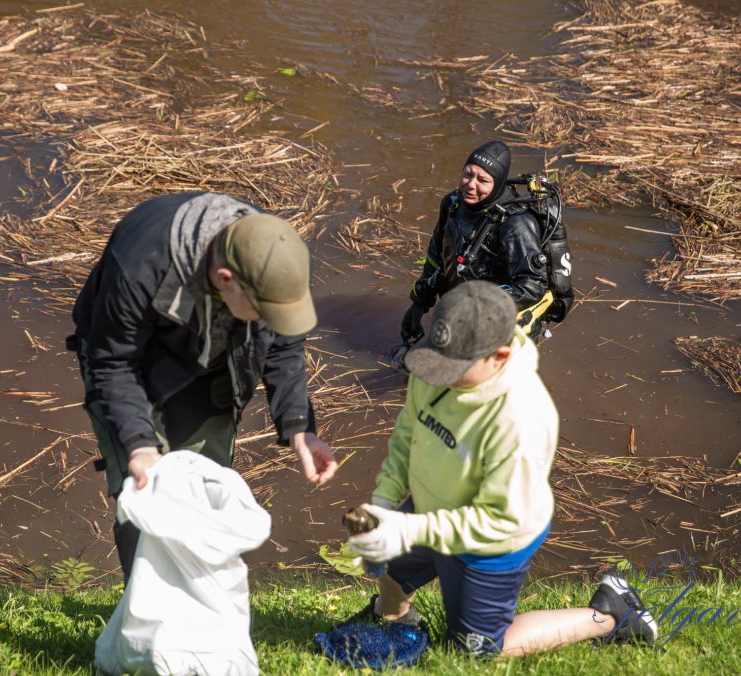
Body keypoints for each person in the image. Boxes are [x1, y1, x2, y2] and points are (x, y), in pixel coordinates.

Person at [346, 281, 657, 657]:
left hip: (490, 539)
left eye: (454, 367)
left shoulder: (521, 420)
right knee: (391, 571)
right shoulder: (437, 366)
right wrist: (384, 503)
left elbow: (500, 518)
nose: (437, 374)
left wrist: (408, 529)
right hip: (431, 508)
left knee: (478, 650)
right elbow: (407, 434)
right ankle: (392, 618)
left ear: (500, 355)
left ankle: (611, 613)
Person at [69, 191, 338, 579]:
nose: (271, 318)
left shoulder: (278, 259)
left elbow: (284, 344)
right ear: (226, 279)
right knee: (144, 496)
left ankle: (199, 595)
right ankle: (148, 604)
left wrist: (299, 428)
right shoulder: (140, 266)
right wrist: (140, 445)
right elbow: (113, 363)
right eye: (265, 312)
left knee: (206, 491)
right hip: (129, 367)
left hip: (215, 361)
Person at [400, 141, 573, 348]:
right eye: (468, 174)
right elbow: (436, 257)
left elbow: (532, 286)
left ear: (498, 183)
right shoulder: (453, 203)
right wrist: (419, 303)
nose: (471, 184)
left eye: (482, 180)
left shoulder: (515, 224)